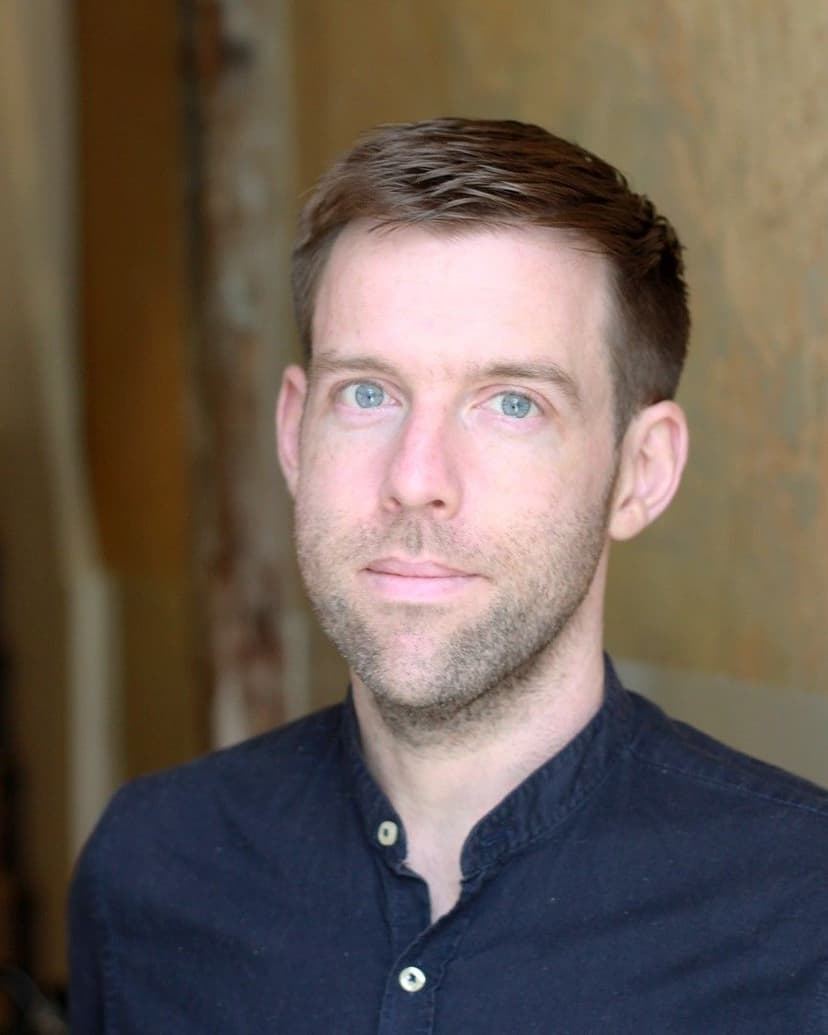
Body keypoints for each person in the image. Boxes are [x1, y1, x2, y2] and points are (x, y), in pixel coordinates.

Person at [69, 118, 828, 1033]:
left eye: (512, 403)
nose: (416, 478)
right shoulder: (152, 867)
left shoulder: (800, 911)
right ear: (293, 434)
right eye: (368, 393)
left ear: (643, 472)